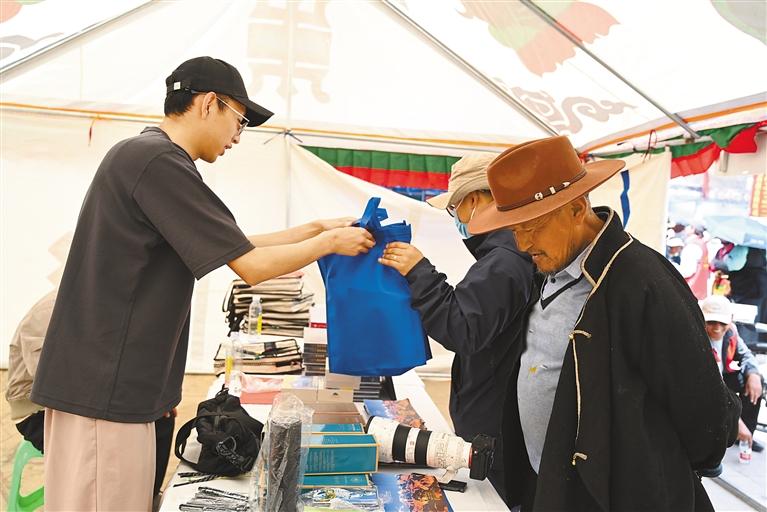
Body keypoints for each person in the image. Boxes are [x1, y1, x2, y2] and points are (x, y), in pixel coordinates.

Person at [30, 56, 374, 511]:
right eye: (240, 120)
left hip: (116, 384)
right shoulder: (157, 161)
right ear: (210, 103)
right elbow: (250, 266)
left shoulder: (151, 157)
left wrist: (312, 230)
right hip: (104, 389)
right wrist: (328, 243)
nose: (239, 135)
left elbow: (231, 244)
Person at [467, 135, 740, 511]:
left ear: (576, 208)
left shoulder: (642, 280)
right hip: (552, 488)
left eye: (532, 227)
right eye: (515, 229)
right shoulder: (549, 266)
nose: (524, 244)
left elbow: (702, 407)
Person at [378, 154, 534, 499]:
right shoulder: (507, 255)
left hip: (496, 420)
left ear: (474, 199)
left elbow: (462, 329)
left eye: (454, 209)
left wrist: (420, 273)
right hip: (497, 410)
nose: (456, 219)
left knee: (491, 497)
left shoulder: (504, 262)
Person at [5, 290, 176, 508]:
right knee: (119, 436)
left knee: (159, 418)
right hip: (39, 412)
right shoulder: (51, 311)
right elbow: (52, 381)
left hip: (77, 401)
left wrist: (151, 399)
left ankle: (145, 498)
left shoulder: (93, 304)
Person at [700, 295, 764, 453]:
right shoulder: (697, 338)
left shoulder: (731, 332)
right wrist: (736, 422)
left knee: (754, 381)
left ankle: (745, 436)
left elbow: (746, 355)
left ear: (730, 320)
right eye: (711, 322)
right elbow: (712, 387)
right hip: (706, 385)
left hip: (724, 378)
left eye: (722, 323)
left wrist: (754, 375)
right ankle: (729, 432)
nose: (717, 328)